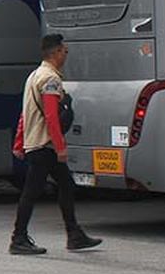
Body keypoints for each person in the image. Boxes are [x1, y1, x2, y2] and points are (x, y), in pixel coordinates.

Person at [9, 34, 101, 256]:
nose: (66, 55)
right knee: (32, 191)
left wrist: (20, 142)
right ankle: (18, 238)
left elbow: (25, 113)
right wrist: (60, 146)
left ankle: (74, 234)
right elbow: (51, 116)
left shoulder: (34, 76)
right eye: (65, 51)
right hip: (45, 145)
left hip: (36, 143)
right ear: (57, 52)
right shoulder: (51, 79)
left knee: (65, 185)